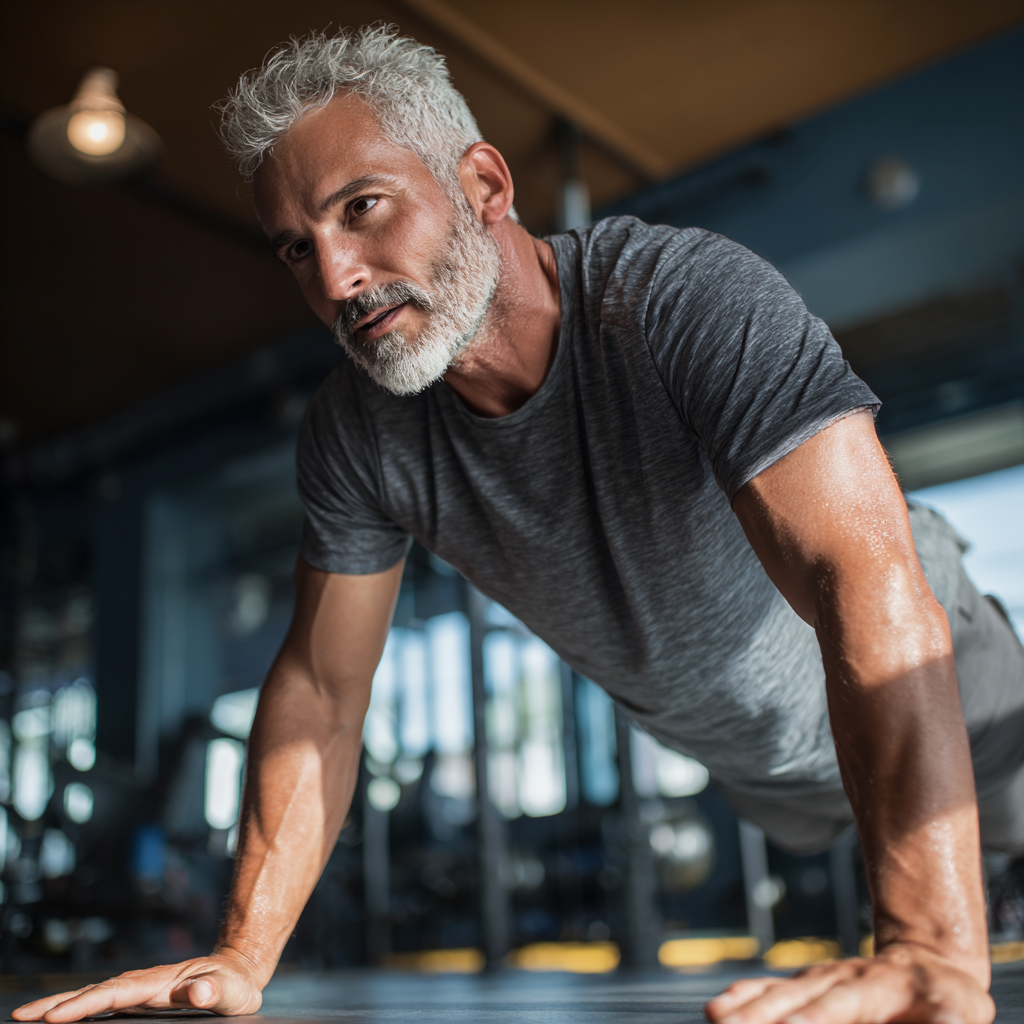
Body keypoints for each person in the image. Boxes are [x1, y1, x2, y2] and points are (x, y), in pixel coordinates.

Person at [17, 25, 1022, 1024]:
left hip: (967, 712)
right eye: (297, 247)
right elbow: (323, 692)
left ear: (486, 187)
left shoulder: (681, 299)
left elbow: (863, 576)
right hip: (775, 781)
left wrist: (932, 943)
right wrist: (240, 953)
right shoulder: (358, 435)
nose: (334, 279)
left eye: (361, 209)